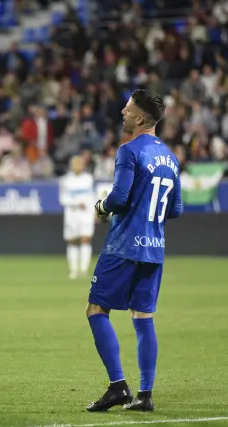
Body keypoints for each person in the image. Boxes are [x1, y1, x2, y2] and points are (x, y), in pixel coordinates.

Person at [86, 90, 183, 413]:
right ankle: (145, 394)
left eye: (127, 109)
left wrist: (101, 206)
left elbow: (119, 198)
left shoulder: (129, 150)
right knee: (143, 318)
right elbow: (176, 209)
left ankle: (118, 386)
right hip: (154, 249)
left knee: (96, 310)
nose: (122, 112)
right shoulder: (170, 158)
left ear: (140, 118)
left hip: (124, 245)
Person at [59, 155, 96, 279]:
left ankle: (83, 270)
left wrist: (95, 212)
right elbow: (62, 199)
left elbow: (93, 197)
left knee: (86, 239)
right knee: (73, 240)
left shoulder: (88, 179)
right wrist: (76, 203)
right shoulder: (65, 180)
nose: (78, 166)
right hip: (72, 214)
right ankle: (74, 270)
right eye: (75, 164)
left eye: (80, 164)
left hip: (86, 214)